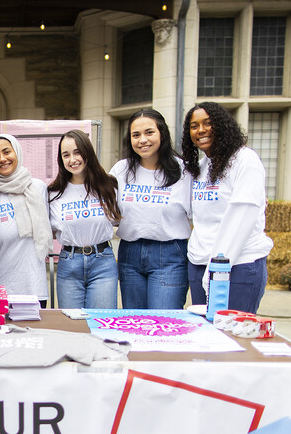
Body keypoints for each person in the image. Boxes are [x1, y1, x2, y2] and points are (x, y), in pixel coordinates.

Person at [182, 101, 273, 313]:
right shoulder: (202, 167)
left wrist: (218, 267)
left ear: (222, 125)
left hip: (239, 264)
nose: (201, 130)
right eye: (194, 126)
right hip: (200, 263)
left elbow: (243, 216)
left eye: (208, 123)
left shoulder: (245, 160)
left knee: (233, 336)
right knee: (205, 337)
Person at [110, 108, 190, 309]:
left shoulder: (184, 171)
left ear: (162, 133)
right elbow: (105, 208)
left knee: (163, 324)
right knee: (134, 324)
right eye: (136, 135)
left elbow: (205, 209)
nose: (142, 140)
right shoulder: (121, 170)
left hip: (170, 254)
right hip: (130, 253)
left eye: (149, 132)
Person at [48, 130, 120, 309]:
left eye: (77, 152)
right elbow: (50, 231)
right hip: (69, 263)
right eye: (66, 155)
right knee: (73, 327)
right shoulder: (53, 193)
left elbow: (118, 221)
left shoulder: (108, 186)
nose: (72, 159)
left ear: (88, 152)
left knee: (101, 324)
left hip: (103, 262)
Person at [0, 134, 52, 305]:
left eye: (7, 152)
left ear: (17, 152)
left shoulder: (37, 188)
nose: (2, 159)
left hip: (33, 287)